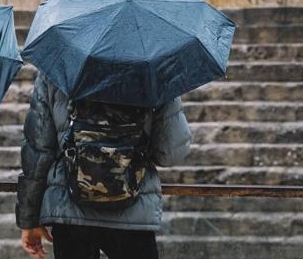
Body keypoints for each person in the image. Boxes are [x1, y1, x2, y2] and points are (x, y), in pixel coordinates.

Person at [16, 72, 191, 259]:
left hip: (70, 211)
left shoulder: (55, 68)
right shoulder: (156, 70)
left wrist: (29, 219)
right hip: (133, 211)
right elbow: (170, 153)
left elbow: (38, 153)